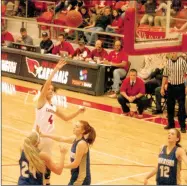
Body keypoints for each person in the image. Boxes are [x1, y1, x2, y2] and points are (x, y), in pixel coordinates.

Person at [32, 59, 85, 185]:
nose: (50, 90)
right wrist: (55, 70)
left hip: (49, 138)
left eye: (52, 89)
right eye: (48, 89)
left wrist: (78, 112)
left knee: (47, 163)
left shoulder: (53, 106)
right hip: (38, 136)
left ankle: (47, 182)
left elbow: (66, 118)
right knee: (36, 162)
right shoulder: (41, 102)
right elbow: (46, 85)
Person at [38, 120, 96, 185]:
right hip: (75, 176)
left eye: (77, 127)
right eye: (75, 125)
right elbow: (61, 138)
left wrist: (60, 166)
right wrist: (44, 135)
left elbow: (75, 164)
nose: (74, 127)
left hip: (81, 179)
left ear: (83, 131)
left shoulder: (81, 144)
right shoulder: (75, 138)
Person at [161, 52, 187, 133]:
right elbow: (165, 76)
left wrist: (186, 86)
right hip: (171, 87)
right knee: (170, 106)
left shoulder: (182, 62)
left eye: (175, 52)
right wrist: (162, 88)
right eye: (172, 53)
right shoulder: (168, 62)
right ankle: (171, 124)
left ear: (177, 53)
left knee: (182, 107)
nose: (173, 54)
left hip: (180, 86)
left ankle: (182, 126)